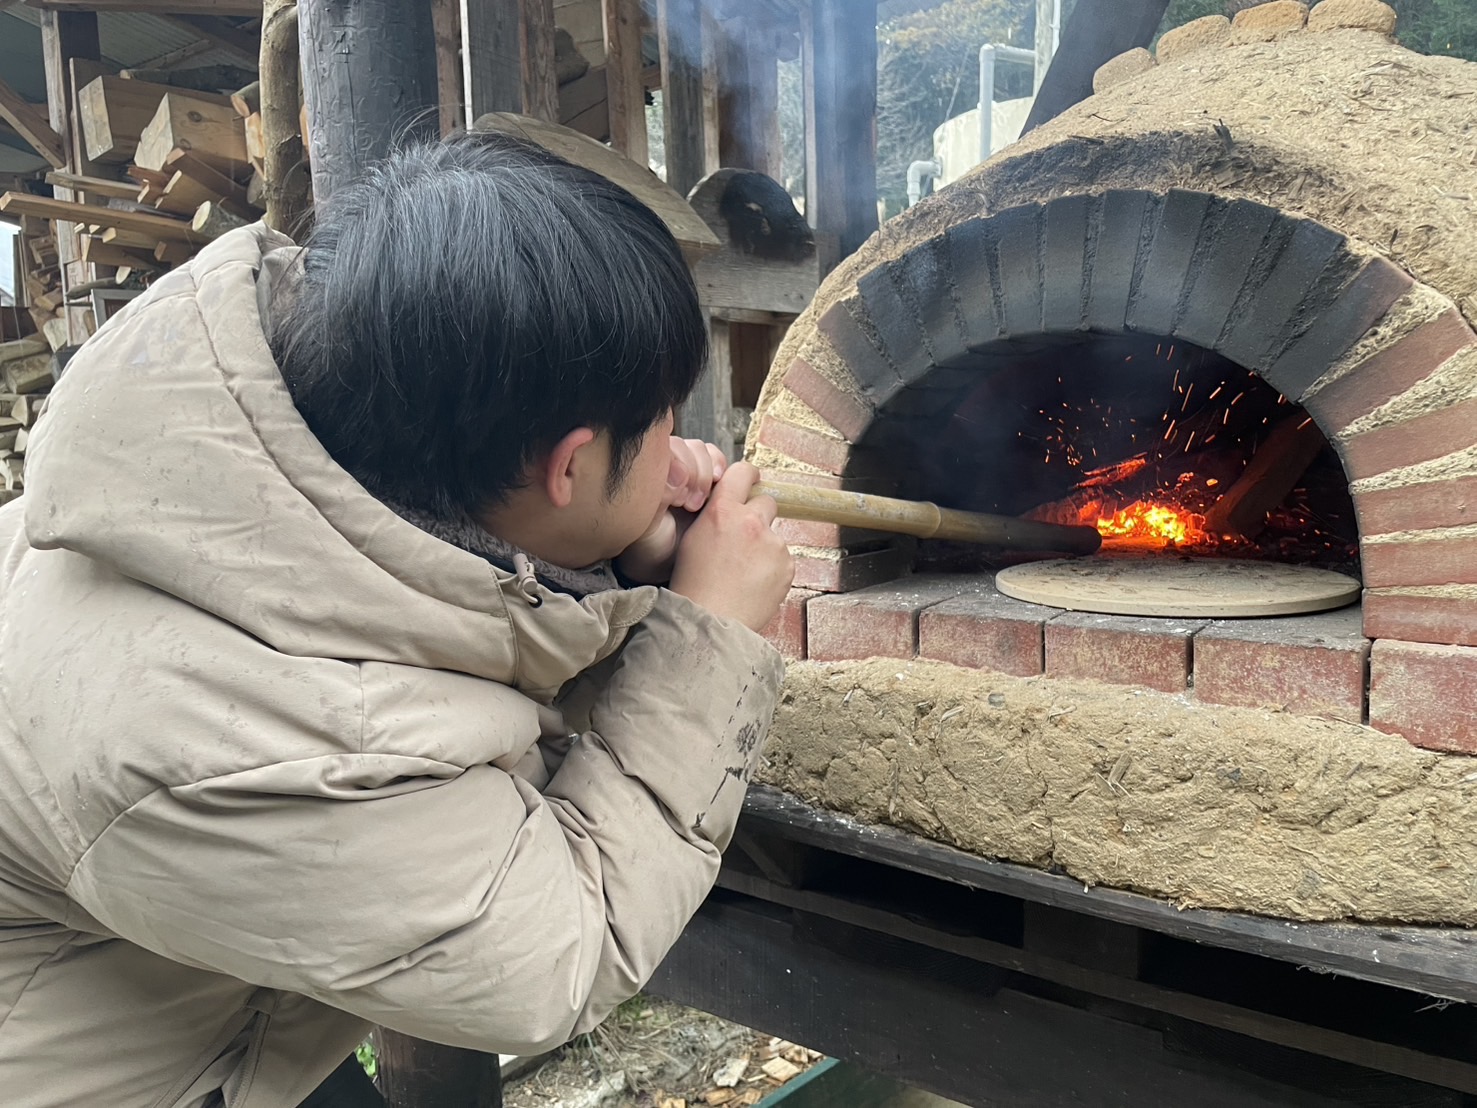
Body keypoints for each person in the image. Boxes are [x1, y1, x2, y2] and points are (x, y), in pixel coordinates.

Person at [0, 131, 795, 1107]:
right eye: (665, 416)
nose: (680, 441)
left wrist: (606, 555)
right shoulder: (241, 746)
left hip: (183, 982)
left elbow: (436, 636)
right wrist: (710, 634)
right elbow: (555, 955)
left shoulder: (258, 430)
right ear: (569, 464)